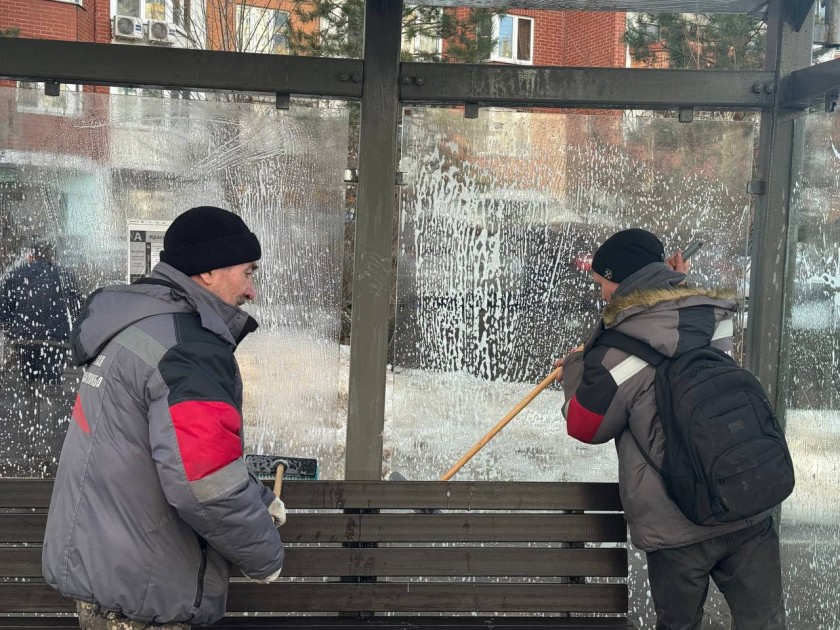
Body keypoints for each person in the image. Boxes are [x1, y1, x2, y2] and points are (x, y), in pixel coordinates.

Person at [42, 206, 287, 629]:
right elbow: (204, 484)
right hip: (146, 598)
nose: (252, 291)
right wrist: (265, 556)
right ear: (208, 272)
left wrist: (260, 501)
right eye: (249, 272)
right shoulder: (188, 350)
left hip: (110, 582)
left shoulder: (134, 328)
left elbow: (157, 451)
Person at [557, 228, 785, 630]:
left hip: (676, 526)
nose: (602, 295)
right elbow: (675, 321)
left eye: (603, 283)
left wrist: (578, 364)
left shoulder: (617, 352)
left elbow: (584, 424)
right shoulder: (714, 319)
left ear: (622, 280)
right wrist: (677, 281)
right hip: (745, 498)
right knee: (765, 622)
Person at [0, 239, 79, 385]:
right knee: (51, 385)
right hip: (55, 339)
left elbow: (5, 306)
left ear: (32, 255)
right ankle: (48, 399)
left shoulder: (16, 273)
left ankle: (30, 398)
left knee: (27, 380)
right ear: (51, 256)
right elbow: (75, 308)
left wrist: (8, 327)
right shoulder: (65, 275)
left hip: (24, 337)